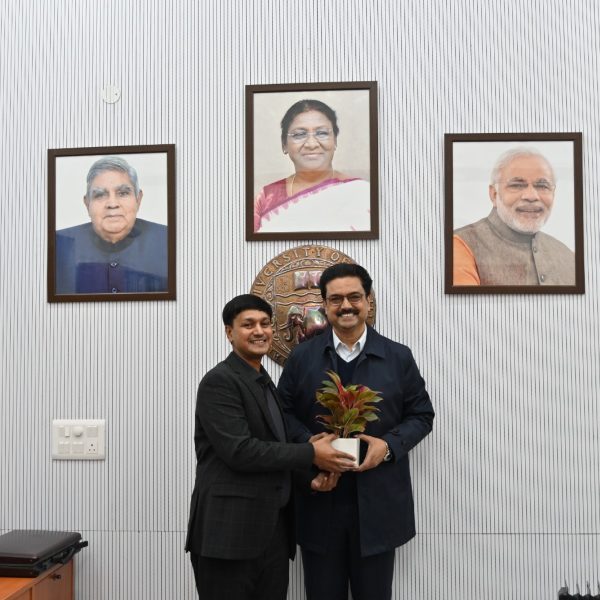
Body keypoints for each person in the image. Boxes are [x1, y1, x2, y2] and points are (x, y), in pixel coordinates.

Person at [278, 265, 435, 600]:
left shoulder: (398, 357)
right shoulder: (301, 357)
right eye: (336, 299)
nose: (346, 306)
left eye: (354, 297)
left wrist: (388, 446)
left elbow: (422, 415)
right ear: (324, 304)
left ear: (367, 300)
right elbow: (281, 414)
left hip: (379, 505)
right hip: (319, 500)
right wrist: (310, 446)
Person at [185, 294, 356, 600]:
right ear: (229, 332)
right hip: (228, 535)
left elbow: (275, 449)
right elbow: (240, 451)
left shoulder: (265, 382)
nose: (259, 331)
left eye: (265, 324)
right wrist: (312, 453)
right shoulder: (219, 382)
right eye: (248, 325)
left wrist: (310, 479)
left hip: (272, 534)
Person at [453, 147, 575, 286]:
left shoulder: (569, 257)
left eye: (542, 186)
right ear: (494, 194)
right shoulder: (461, 245)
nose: (531, 196)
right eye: (517, 185)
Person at [253, 99, 371, 233]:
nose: (311, 144)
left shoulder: (362, 194)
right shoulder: (266, 198)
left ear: (335, 141)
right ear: (284, 144)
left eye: (322, 133)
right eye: (299, 134)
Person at [55, 156, 168, 294]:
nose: (112, 204)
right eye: (100, 195)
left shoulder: (168, 240)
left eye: (123, 193)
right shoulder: (57, 245)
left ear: (138, 200)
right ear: (87, 203)